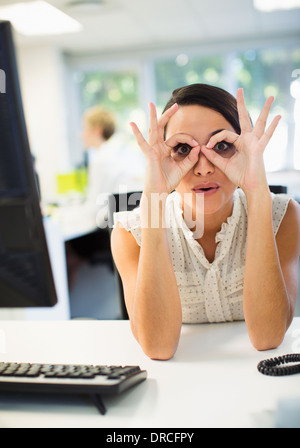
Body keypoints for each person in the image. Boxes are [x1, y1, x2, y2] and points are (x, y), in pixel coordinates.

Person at [111, 84, 300, 360]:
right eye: (183, 148)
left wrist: (257, 192)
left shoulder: (284, 217)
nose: (203, 167)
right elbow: (158, 347)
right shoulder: (131, 231)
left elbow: (268, 338)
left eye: (222, 146)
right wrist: (154, 195)